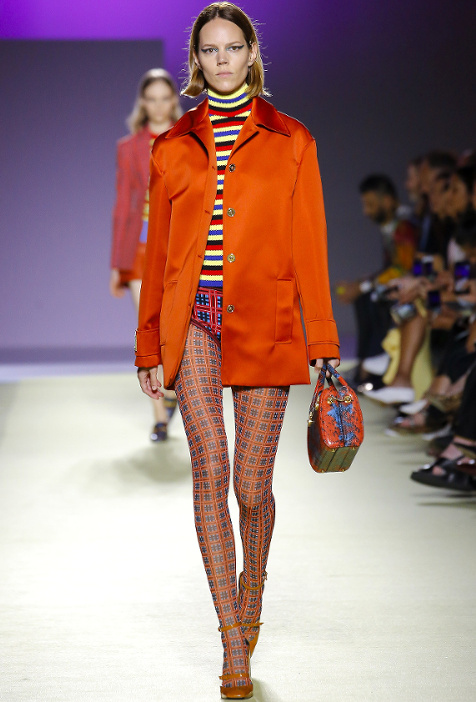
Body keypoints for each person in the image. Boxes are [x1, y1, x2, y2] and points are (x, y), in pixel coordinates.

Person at [134, 3, 340, 698]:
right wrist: (147, 344)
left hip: (266, 322)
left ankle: (253, 587)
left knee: (251, 488)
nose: (221, 59)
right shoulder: (172, 146)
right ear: (196, 60)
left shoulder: (292, 139)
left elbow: (311, 244)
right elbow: (158, 254)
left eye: (232, 47)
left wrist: (322, 339)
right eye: (209, 49)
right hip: (193, 322)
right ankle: (231, 636)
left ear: (252, 53)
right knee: (209, 470)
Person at [110, 68, 182, 441]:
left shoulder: (189, 138)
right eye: (151, 99)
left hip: (179, 245)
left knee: (175, 325)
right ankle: (158, 414)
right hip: (140, 247)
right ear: (143, 102)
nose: (158, 106)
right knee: (147, 325)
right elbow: (123, 205)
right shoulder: (129, 147)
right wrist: (116, 264)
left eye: (164, 98)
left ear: (174, 100)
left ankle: (170, 391)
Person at [336, 174, 418, 389]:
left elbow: (403, 267)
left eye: (371, 205)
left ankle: (371, 371)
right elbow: (393, 268)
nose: (366, 212)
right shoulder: (394, 226)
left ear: (388, 200)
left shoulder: (404, 227)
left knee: (371, 299)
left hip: (410, 291)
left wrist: (364, 285)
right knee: (366, 298)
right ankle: (365, 367)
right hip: (402, 286)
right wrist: (365, 282)